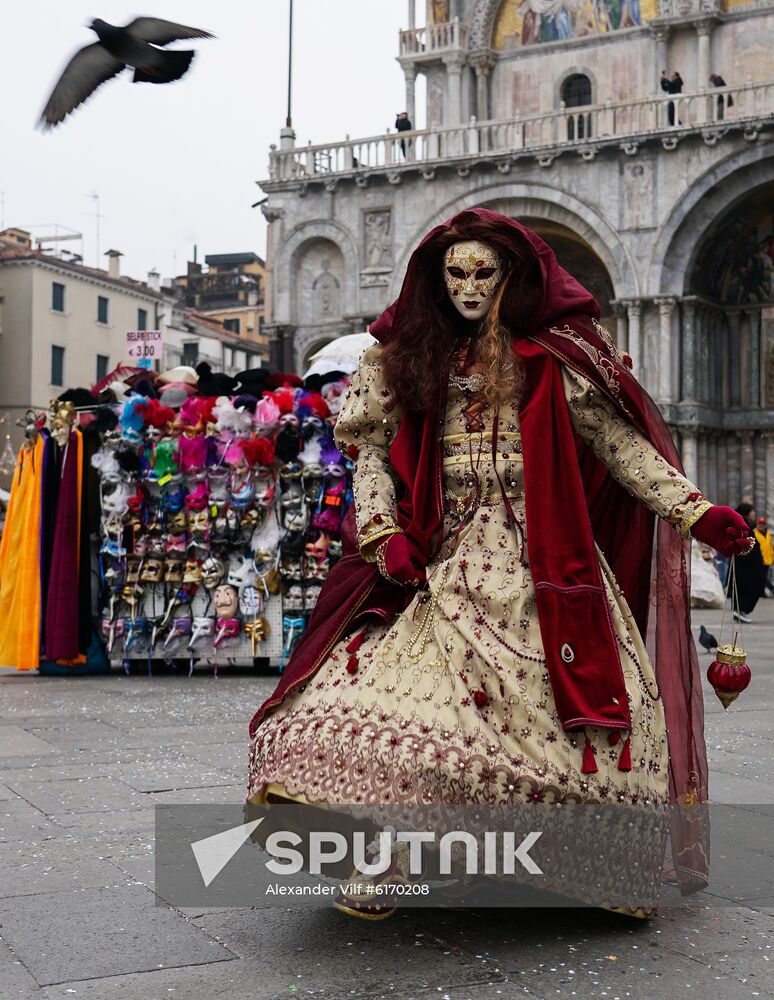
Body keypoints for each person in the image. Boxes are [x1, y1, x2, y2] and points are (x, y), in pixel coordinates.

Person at [247, 208, 753, 917]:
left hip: (549, 567)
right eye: (455, 273)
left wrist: (696, 511)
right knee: (382, 707)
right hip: (442, 564)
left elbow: (621, 446)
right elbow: (368, 455)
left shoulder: (556, 360)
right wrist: (382, 530)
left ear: (510, 277)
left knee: (566, 724)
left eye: (484, 272)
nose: (469, 286)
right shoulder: (405, 359)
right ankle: (383, 857)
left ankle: (577, 862)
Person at [729, 503, 767, 622]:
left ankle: (740, 610)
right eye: (752, 511)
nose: (754, 513)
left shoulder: (745, 524)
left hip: (746, 563)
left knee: (744, 587)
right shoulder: (743, 525)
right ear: (747, 513)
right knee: (752, 586)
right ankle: (742, 610)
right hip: (747, 564)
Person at [754, 514, 774, 596]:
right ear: (757, 524)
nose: (761, 526)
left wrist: (773, 558)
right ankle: (772, 588)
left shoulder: (769, 534)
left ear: (765, 525)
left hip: (768, 560)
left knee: (764, 577)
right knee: (762, 577)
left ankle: (762, 592)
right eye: (759, 524)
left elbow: (771, 547)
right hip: (759, 559)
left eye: (763, 524)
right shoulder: (754, 533)